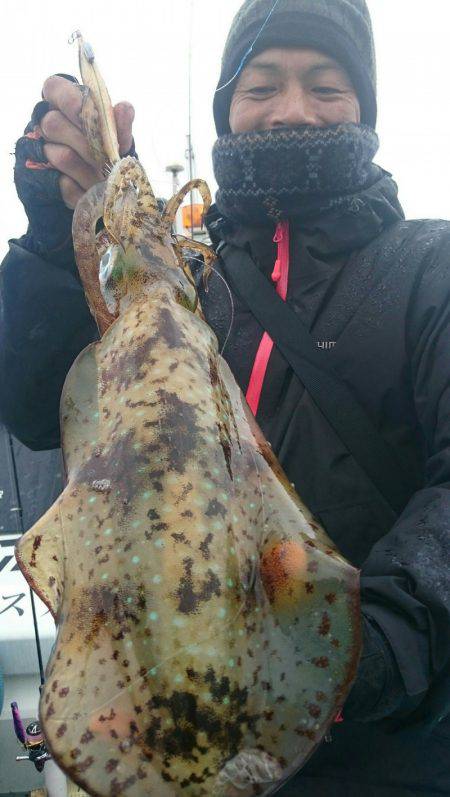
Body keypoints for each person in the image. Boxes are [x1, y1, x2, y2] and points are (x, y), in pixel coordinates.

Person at [0, 0, 449, 793]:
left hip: (388, 751)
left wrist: (366, 647)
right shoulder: (188, 279)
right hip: (150, 705)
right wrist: (56, 242)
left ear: (366, 106)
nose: (292, 110)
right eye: (262, 84)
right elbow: (38, 405)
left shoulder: (430, 271)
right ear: (228, 110)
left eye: (326, 84)